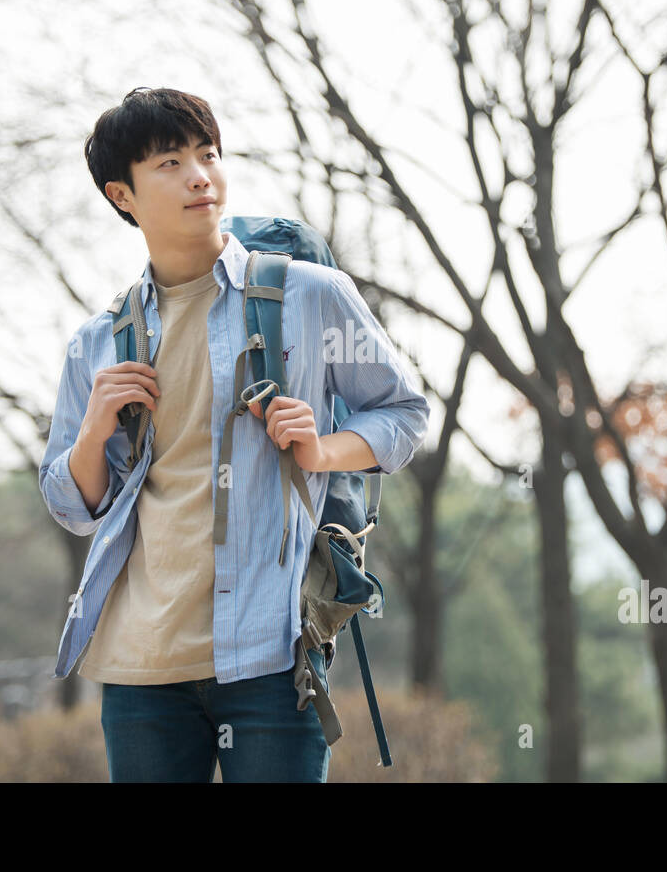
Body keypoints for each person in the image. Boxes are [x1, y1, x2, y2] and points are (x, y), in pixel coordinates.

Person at [37, 86, 430, 781]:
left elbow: (403, 412)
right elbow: (73, 504)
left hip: (271, 653)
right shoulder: (98, 341)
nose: (199, 175)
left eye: (208, 154)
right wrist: (94, 429)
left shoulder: (310, 295)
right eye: (169, 162)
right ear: (122, 194)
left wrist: (321, 450)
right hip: (141, 665)